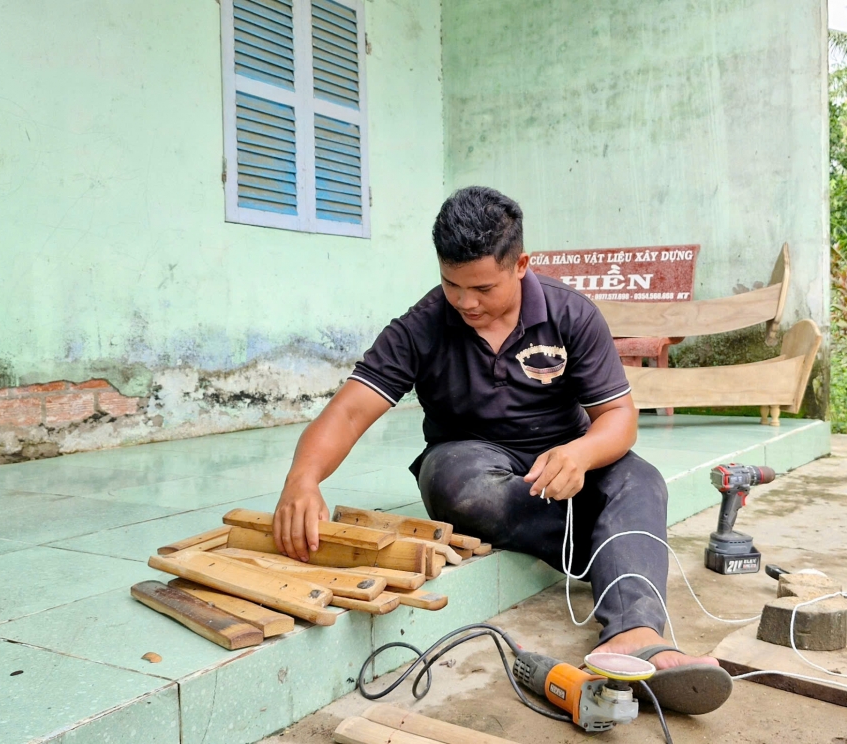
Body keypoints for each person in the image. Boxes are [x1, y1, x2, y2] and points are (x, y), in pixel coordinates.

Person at [272, 186, 732, 714]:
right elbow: (350, 411)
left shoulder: (571, 315)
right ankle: (608, 549)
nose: (465, 302)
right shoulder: (421, 326)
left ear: (521, 266)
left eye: (482, 287)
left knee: (640, 480)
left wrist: (581, 455)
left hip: (562, 450)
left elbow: (619, 419)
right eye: (451, 284)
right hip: (471, 456)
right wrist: (302, 481)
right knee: (456, 488)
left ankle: (635, 634)